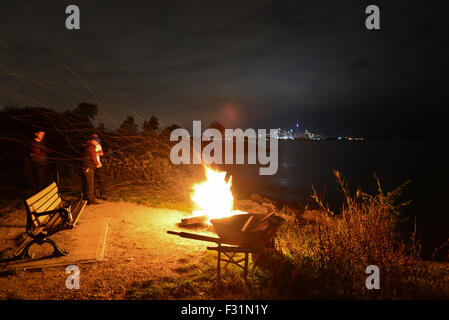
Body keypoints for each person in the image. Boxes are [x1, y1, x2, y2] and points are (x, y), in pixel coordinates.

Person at [82, 137, 101, 205]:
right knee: (90, 185)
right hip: (89, 168)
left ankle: (87, 198)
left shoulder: (87, 146)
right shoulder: (91, 147)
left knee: (87, 184)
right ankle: (91, 200)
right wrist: (97, 163)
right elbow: (93, 157)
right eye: (97, 142)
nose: (97, 144)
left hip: (85, 167)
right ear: (94, 141)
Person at [92, 133, 107, 200]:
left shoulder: (98, 145)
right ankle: (93, 195)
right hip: (92, 165)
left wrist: (93, 153)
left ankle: (103, 194)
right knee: (93, 181)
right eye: (94, 137)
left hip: (98, 165)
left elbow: (101, 153)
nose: (96, 139)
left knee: (101, 180)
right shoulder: (89, 146)